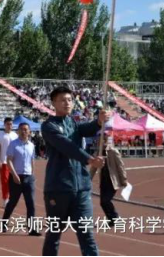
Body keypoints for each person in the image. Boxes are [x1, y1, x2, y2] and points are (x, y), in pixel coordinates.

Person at [41, 86, 111, 257]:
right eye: (62, 100)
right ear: (53, 103)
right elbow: (67, 146)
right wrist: (90, 159)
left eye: (70, 100)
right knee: (54, 234)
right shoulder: (48, 126)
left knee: (87, 234)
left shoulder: (73, 123)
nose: (67, 103)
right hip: (58, 189)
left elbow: (86, 129)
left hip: (81, 189)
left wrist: (99, 121)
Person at [1, 122, 40, 236]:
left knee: (31, 203)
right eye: (21, 129)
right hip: (16, 177)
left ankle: (31, 229)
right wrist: (14, 175)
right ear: (18, 131)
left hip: (28, 177)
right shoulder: (13, 144)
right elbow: (9, 160)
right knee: (13, 202)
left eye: (26, 129)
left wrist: (32, 174)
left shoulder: (31, 145)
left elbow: (32, 160)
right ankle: (4, 223)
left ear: (29, 132)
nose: (24, 131)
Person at [92, 136, 128, 226]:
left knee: (106, 200)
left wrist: (124, 179)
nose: (98, 143)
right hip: (103, 181)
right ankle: (112, 220)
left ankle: (115, 218)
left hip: (112, 181)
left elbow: (120, 166)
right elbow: (93, 168)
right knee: (102, 202)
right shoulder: (98, 153)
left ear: (105, 141)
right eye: (97, 141)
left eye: (100, 141)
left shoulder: (113, 151)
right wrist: (88, 179)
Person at [0, 117, 18, 207]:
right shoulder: (0, 135)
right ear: (4, 125)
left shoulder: (15, 135)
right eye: (8, 124)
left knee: (13, 181)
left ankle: (11, 198)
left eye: (11, 124)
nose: (9, 126)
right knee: (5, 181)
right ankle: (5, 198)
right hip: (4, 161)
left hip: (14, 162)